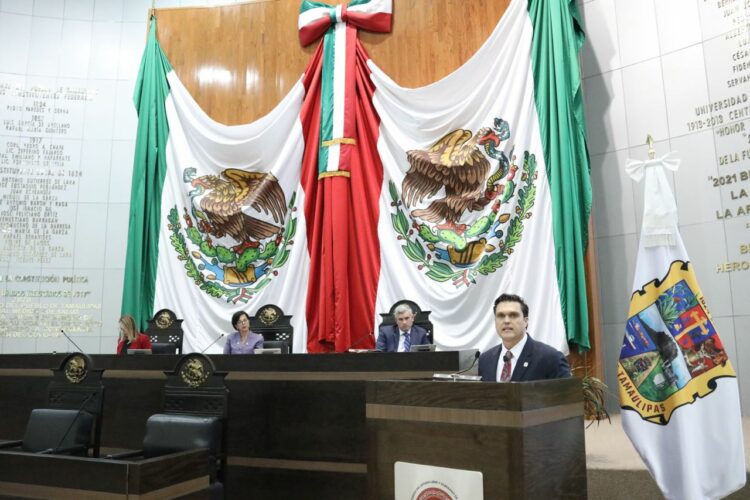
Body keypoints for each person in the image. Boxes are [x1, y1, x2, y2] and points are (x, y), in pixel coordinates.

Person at [478, 293, 570, 382]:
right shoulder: (485, 360)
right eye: (501, 316)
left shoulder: (551, 358)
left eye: (513, 315)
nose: (506, 321)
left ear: (525, 321)